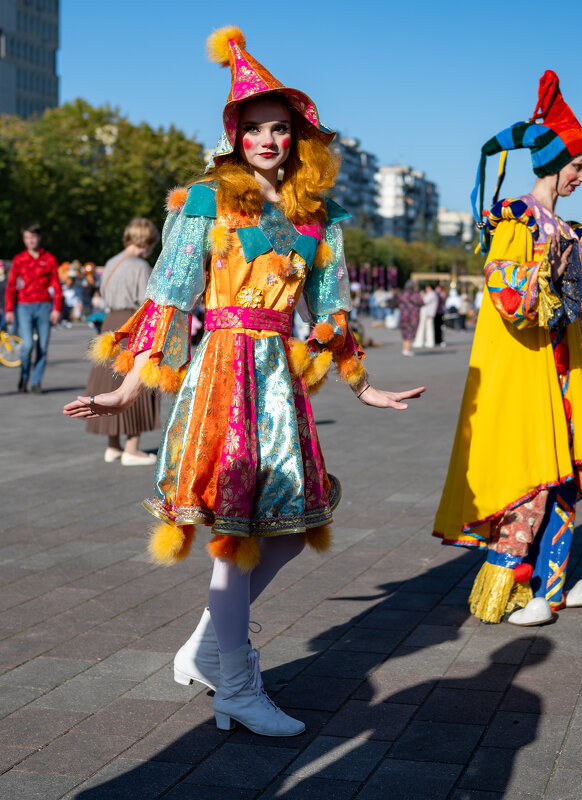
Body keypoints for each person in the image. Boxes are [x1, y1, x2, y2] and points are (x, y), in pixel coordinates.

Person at [64, 26, 424, 735]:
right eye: (255, 127)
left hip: (280, 386)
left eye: (279, 128)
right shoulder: (208, 201)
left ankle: (207, 644)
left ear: (297, 136)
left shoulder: (318, 216)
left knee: (293, 527)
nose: (268, 139)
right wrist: (126, 389)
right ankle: (236, 683)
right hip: (224, 375)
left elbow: (333, 309)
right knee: (237, 533)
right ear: (235, 136)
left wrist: (364, 386)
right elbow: (169, 297)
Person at [433, 70, 582, 626]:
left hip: (566, 371)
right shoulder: (516, 219)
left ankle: (548, 591)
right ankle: (510, 582)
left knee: (566, 482)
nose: (581, 178)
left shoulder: (569, 230)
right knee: (532, 478)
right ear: (553, 162)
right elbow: (506, 293)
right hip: (528, 369)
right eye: (578, 167)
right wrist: (552, 290)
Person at [84, 218, 162, 466]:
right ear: (147, 241)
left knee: (108, 381)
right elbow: (146, 302)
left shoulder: (110, 262)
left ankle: (113, 447)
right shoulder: (140, 265)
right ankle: (132, 449)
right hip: (132, 324)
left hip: (110, 325)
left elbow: (104, 296)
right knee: (133, 381)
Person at [5, 222, 62, 393]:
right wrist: (8, 309)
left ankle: (36, 382)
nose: (30, 241)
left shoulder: (49, 259)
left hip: (44, 306)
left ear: (39, 238)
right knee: (27, 345)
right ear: (24, 239)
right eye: (27, 238)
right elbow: (11, 285)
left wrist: (57, 308)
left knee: (42, 346)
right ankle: (24, 376)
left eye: (33, 237)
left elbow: (56, 284)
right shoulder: (19, 259)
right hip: (24, 306)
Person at [397, 279, 423, 356]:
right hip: (413, 315)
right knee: (411, 331)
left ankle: (405, 348)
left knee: (405, 331)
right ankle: (407, 349)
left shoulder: (402, 294)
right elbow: (421, 302)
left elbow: (397, 302)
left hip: (404, 314)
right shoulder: (415, 295)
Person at [413, 284, 437, 348]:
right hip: (430, 313)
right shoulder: (434, 294)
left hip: (426, 313)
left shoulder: (430, 294)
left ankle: (419, 342)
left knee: (422, 327)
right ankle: (430, 342)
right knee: (429, 328)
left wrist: (422, 295)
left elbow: (423, 302)